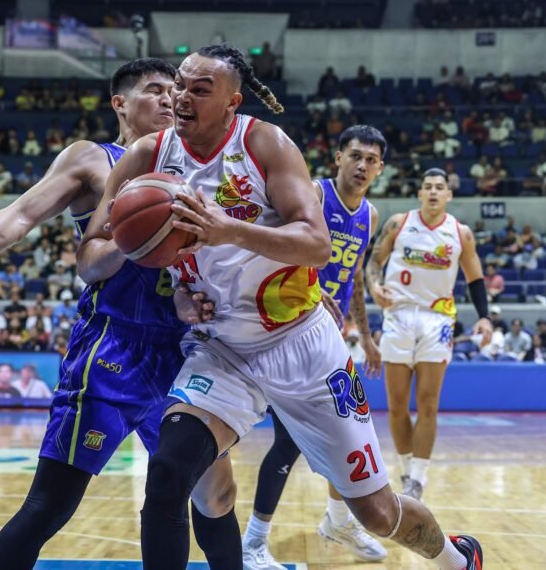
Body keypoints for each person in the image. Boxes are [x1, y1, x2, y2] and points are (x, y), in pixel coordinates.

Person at [80, 46, 483, 570]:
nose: (181, 97)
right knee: (167, 474)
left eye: (200, 89)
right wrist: (147, 258)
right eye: (179, 84)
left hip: (302, 345)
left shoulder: (264, 143)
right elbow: (90, 260)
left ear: (232, 102)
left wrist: (227, 229)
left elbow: (316, 243)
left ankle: (455, 557)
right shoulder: (145, 159)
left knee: (376, 512)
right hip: (221, 348)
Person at [0, 59, 239, 570]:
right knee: (51, 505)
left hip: (186, 349)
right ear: (119, 103)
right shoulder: (93, 159)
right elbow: (21, 214)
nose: (171, 99)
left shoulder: (198, 168)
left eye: (175, 91)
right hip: (113, 347)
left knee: (212, 499)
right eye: (154, 90)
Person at [243, 125, 389, 567]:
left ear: (380, 169)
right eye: (356, 156)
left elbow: (356, 276)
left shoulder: (371, 215)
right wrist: (306, 284)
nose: (362, 165)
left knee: (348, 430)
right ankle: (253, 541)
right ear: (339, 157)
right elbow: (271, 243)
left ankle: (338, 519)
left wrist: (365, 335)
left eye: (371, 160)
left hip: (329, 336)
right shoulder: (315, 194)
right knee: (289, 441)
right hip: (286, 325)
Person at [368, 167, 493, 501]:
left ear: (448, 195)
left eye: (440, 187)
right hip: (397, 314)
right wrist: (374, 286)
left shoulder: (460, 233)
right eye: (428, 187)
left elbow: (476, 278)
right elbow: (372, 264)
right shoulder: (398, 224)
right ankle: (406, 469)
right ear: (420, 193)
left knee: (428, 402)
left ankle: (417, 480)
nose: (434, 192)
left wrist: (485, 318)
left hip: (437, 319)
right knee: (396, 405)